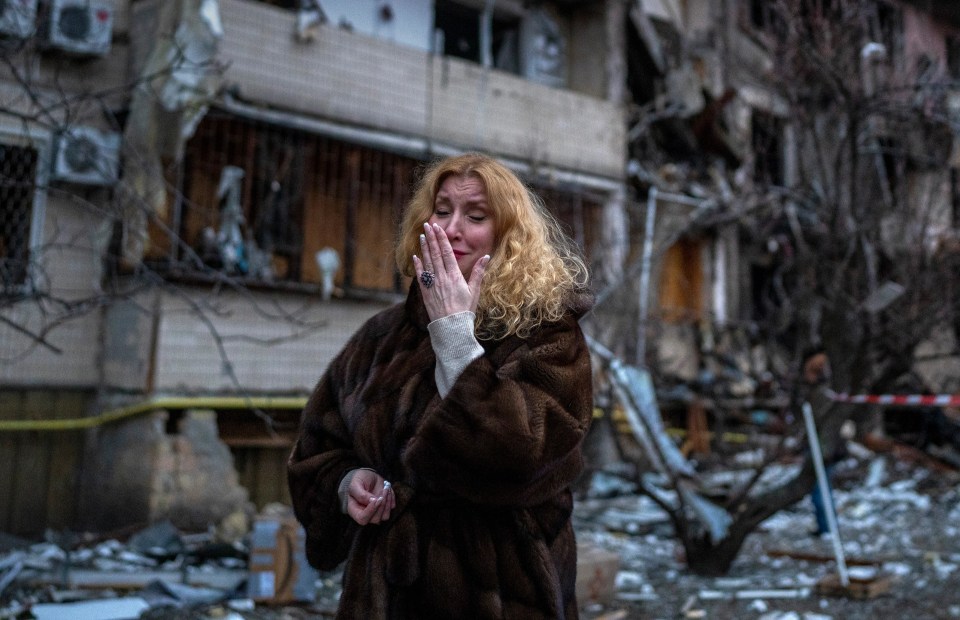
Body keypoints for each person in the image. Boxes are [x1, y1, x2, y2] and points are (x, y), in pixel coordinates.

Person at [288, 152, 594, 619]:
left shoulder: (548, 333)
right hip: (385, 596)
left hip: (501, 592)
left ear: (508, 234)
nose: (451, 228)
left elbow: (525, 453)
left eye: (475, 216)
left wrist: (454, 336)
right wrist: (348, 483)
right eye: (442, 209)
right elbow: (317, 447)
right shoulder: (382, 335)